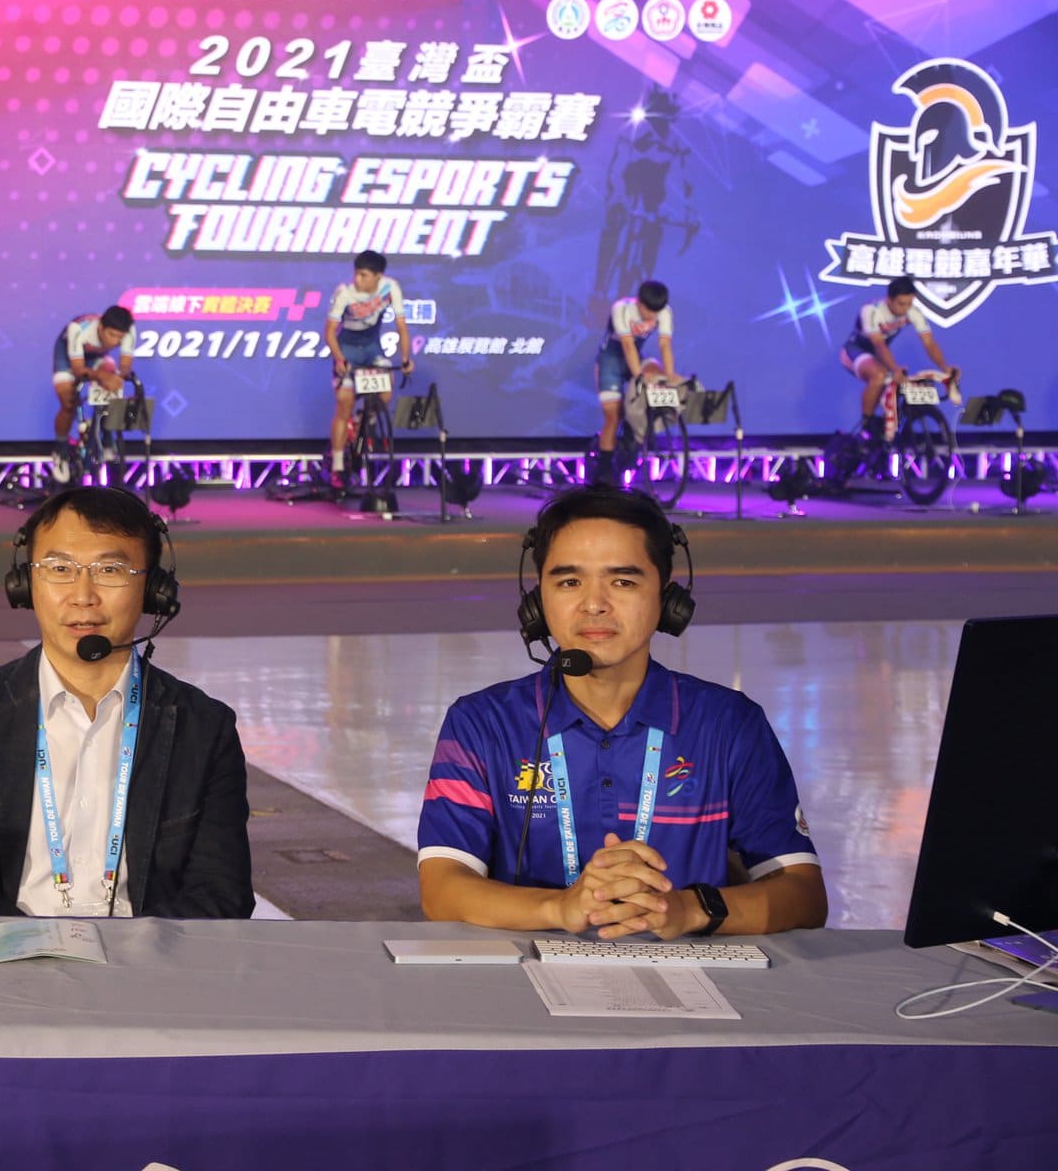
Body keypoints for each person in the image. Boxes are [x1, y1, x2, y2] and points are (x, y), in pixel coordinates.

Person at [416, 487, 826, 939]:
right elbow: (442, 888)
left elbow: (804, 894)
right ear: (536, 602)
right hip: (522, 975)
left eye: (623, 582)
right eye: (569, 582)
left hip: (692, 974)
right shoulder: (480, 723)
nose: (594, 604)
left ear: (669, 600)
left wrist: (687, 909)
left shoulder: (730, 724)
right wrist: (561, 907)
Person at [0, 486, 254, 918]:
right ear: (24, 583)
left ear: (154, 590)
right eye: (59, 568)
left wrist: (129, 955)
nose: (83, 595)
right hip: (7, 956)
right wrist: (37, 949)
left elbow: (220, 896)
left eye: (110, 570)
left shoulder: (203, 728)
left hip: (152, 958)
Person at [325, 250, 413, 488]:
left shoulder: (390, 288)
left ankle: (363, 420)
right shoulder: (344, 293)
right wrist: (339, 360)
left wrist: (406, 358)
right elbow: (330, 332)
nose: (357, 279)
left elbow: (401, 327)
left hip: (372, 349)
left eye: (363, 275)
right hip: (348, 350)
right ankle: (337, 467)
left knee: (385, 393)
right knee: (344, 403)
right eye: (356, 274)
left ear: (378, 276)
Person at [840, 277, 958, 436]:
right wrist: (895, 369)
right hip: (855, 351)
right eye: (901, 304)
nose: (905, 309)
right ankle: (867, 424)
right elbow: (879, 345)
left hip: (878, 354)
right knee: (880, 376)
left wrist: (945, 368)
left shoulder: (913, 312)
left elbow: (929, 344)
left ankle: (887, 425)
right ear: (889, 299)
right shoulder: (871, 310)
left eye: (909, 303)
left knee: (900, 384)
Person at [593, 279, 677, 481]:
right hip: (611, 360)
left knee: (657, 372)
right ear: (639, 302)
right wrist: (639, 378)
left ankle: (635, 434)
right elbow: (628, 346)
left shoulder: (665, 312)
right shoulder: (622, 309)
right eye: (649, 311)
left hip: (635, 357)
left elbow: (665, 345)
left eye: (657, 312)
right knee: (613, 417)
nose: (653, 316)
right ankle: (604, 469)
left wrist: (670, 377)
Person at [50, 305, 135, 475]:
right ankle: (61, 449)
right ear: (100, 327)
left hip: (97, 357)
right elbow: (78, 370)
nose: (114, 342)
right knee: (68, 403)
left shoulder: (129, 330)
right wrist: (102, 376)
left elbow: (125, 367)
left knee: (112, 379)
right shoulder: (78, 328)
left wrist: (117, 379)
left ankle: (108, 438)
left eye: (119, 338)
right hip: (67, 356)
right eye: (111, 335)